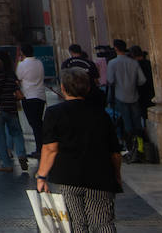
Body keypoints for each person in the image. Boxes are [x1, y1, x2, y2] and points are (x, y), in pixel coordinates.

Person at [36, 67, 123, 233]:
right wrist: (117, 176)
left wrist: (41, 176)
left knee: (74, 224)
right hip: (100, 177)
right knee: (103, 223)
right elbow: (115, 153)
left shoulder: (54, 113)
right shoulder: (102, 114)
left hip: (66, 177)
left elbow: (50, 148)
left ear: (63, 87)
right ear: (88, 88)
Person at [106, 40, 144, 157]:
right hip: (134, 95)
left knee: (126, 123)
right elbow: (142, 80)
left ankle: (129, 148)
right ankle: (140, 148)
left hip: (120, 96)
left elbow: (110, 80)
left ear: (116, 48)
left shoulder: (112, 63)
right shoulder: (134, 63)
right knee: (137, 122)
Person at [17, 42, 47, 158]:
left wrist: (20, 61)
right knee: (38, 122)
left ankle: (40, 148)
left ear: (22, 53)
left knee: (34, 123)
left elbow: (18, 78)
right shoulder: (39, 63)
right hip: (40, 95)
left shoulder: (22, 65)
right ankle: (41, 146)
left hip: (28, 96)